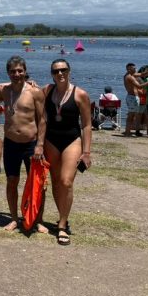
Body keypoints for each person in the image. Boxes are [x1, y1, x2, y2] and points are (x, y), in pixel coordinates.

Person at [0, 56, 45, 232]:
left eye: (20, 71)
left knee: (36, 184)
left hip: (31, 143)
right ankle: (13, 218)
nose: (17, 74)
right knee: (12, 181)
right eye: (13, 71)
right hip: (11, 143)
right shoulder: (5, 91)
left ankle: (38, 220)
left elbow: (42, 120)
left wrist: (40, 145)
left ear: (25, 71)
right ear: (8, 73)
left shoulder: (35, 92)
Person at [39, 59, 92, 246]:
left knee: (66, 181)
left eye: (63, 70)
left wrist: (86, 152)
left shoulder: (80, 95)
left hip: (72, 140)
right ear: (52, 74)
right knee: (54, 181)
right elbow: (29, 92)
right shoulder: (47, 91)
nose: (60, 73)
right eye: (56, 71)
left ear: (69, 71)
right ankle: (63, 216)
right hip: (51, 140)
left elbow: (86, 124)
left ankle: (62, 226)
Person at [123, 63, 144, 137]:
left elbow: (140, 74)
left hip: (132, 97)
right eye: (134, 68)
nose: (135, 69)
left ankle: (127, 131)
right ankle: (127, 132)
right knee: (131, 116)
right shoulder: (129, 77)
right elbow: (139, 85)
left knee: (132, 115)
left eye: (135, 68)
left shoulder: (131, 75)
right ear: (129, 69)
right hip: (132, 97)